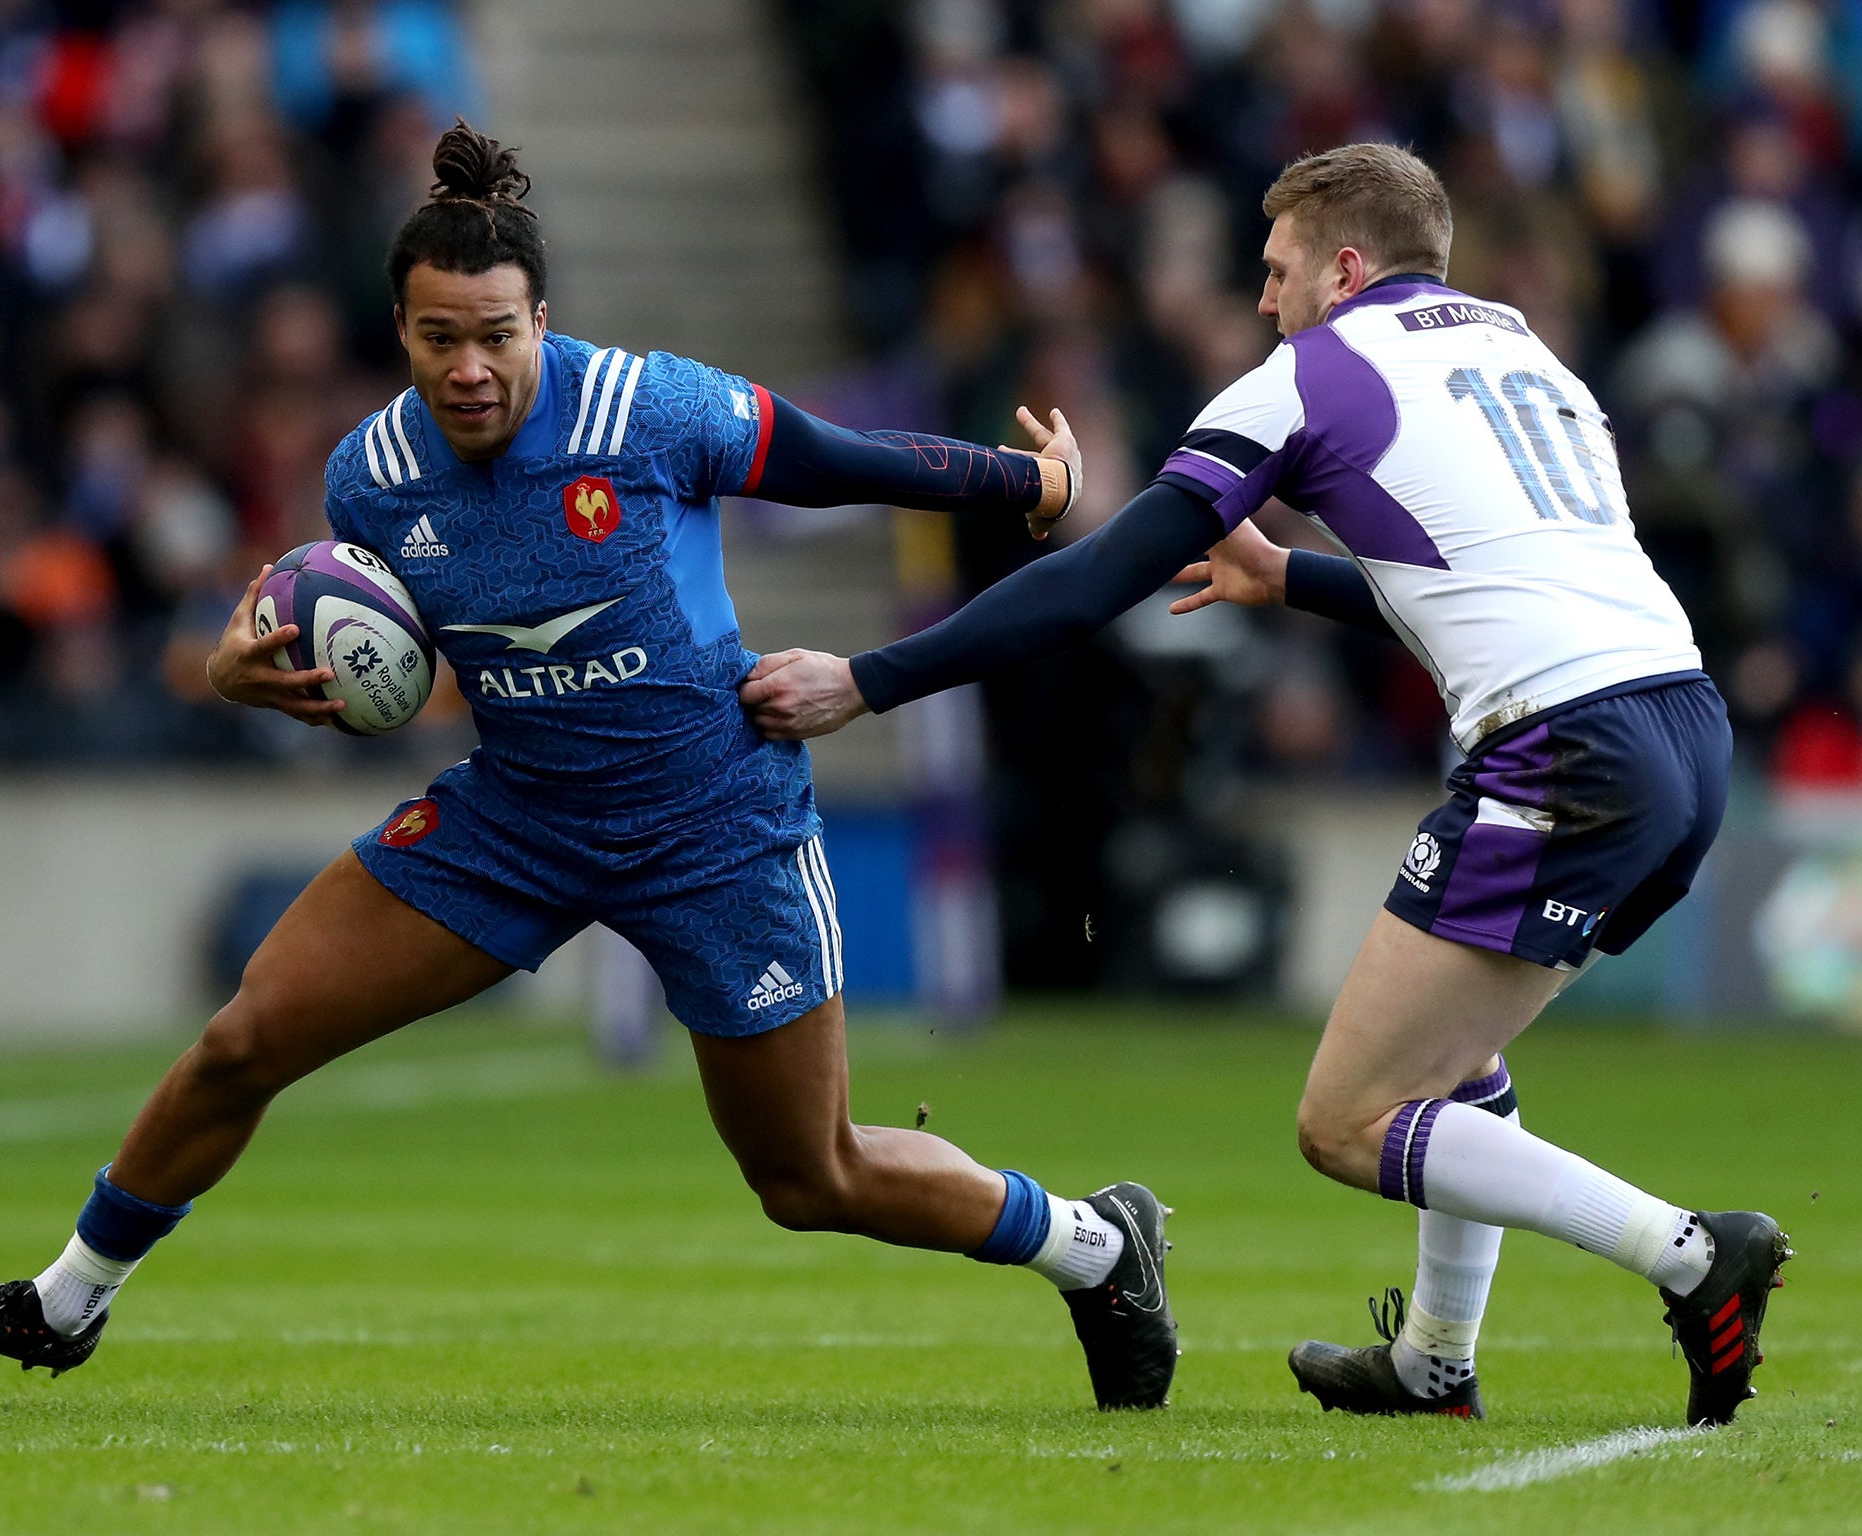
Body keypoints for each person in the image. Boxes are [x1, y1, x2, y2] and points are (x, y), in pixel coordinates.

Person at [0, 122, 1178, 1413]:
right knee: (243, 1041)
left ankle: (1098, 1247)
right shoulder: (373, 481)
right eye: (442, 338)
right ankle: (63, 1301)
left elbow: (848, 463)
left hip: (714, 816)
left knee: (808, 1177)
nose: (474, 366)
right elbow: (372, 657)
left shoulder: (648, 409)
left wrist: (1033, 483)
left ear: (540, 317)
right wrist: (239, 676)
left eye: (498, 333)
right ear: (401, 332)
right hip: (523, 817)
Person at [740, 143, 1789, 1429]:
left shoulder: (1307, 374)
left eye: (1277, 269)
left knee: (1346, 1122)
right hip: (1678, 729)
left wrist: (869, 679)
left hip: (1564, 749)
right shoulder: (1526, 353)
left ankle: (1688, 1255)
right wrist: (1285, 575)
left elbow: (1097, 577)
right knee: (1448, 1063)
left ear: (1344, 268)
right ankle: (1432, 1364)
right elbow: (1477, 585)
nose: (1262, 301)